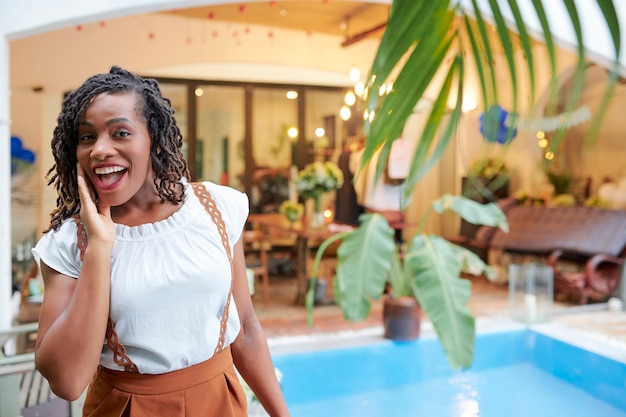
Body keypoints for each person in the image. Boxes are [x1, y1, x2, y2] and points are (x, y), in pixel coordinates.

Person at [31, 66, 290, 417]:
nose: (99, 150)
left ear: (152, 136)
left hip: (220, 403)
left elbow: (245, 330)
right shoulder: (67, 243)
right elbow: (67, 381)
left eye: (120, 132)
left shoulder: (216, 208)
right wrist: (99, 248)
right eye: (87, 137)